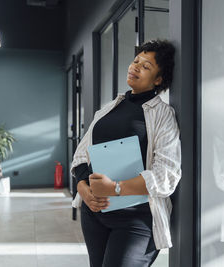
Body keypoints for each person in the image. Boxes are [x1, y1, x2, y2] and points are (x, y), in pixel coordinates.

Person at [71, 39, 181, 267]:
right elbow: (81, 157)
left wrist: (115, 188)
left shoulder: (162, 114)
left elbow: (167, 175)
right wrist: (85, 191)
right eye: (136, 61)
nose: (136, 67)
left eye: (146, 66)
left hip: (136, 220)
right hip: (95, 214)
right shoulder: (108, 109)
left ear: (158, 80)